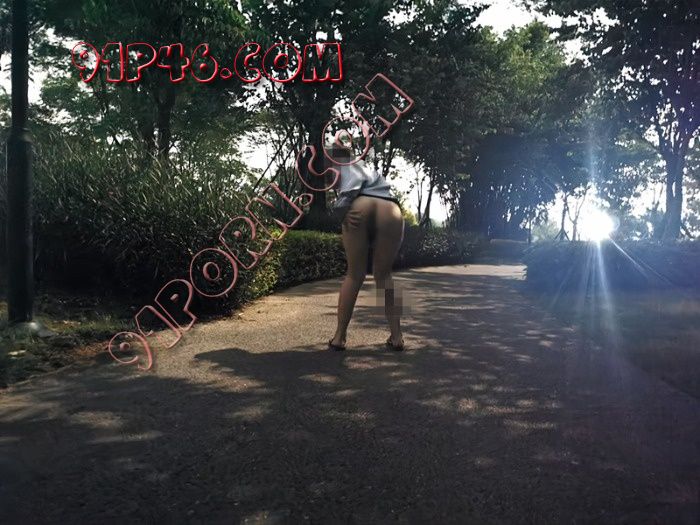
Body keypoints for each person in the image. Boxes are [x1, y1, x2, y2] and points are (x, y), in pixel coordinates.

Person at [326, 144, 406, 351]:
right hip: (389, 207)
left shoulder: (341, 166)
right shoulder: (364, 167)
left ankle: (339, 337)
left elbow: (348, 191)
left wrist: (340, 212)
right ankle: (397, 337)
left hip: (359, 205)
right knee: (384, 276)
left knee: (354, 275)